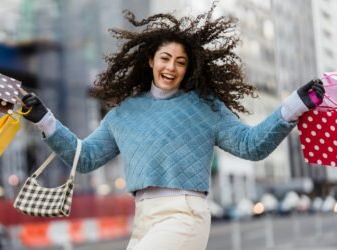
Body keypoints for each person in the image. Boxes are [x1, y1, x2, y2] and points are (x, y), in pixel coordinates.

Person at [19, 4, 324, 250]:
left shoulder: (205, 107)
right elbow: (84, 158)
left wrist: (294, 105)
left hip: (185, 214)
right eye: (165, 58)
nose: (171, 67)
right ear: (150, 60)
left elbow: (251, 145)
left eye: (180, 62)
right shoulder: (124, 113)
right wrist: (45, 120)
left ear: (188, 68)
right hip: (143, 219)